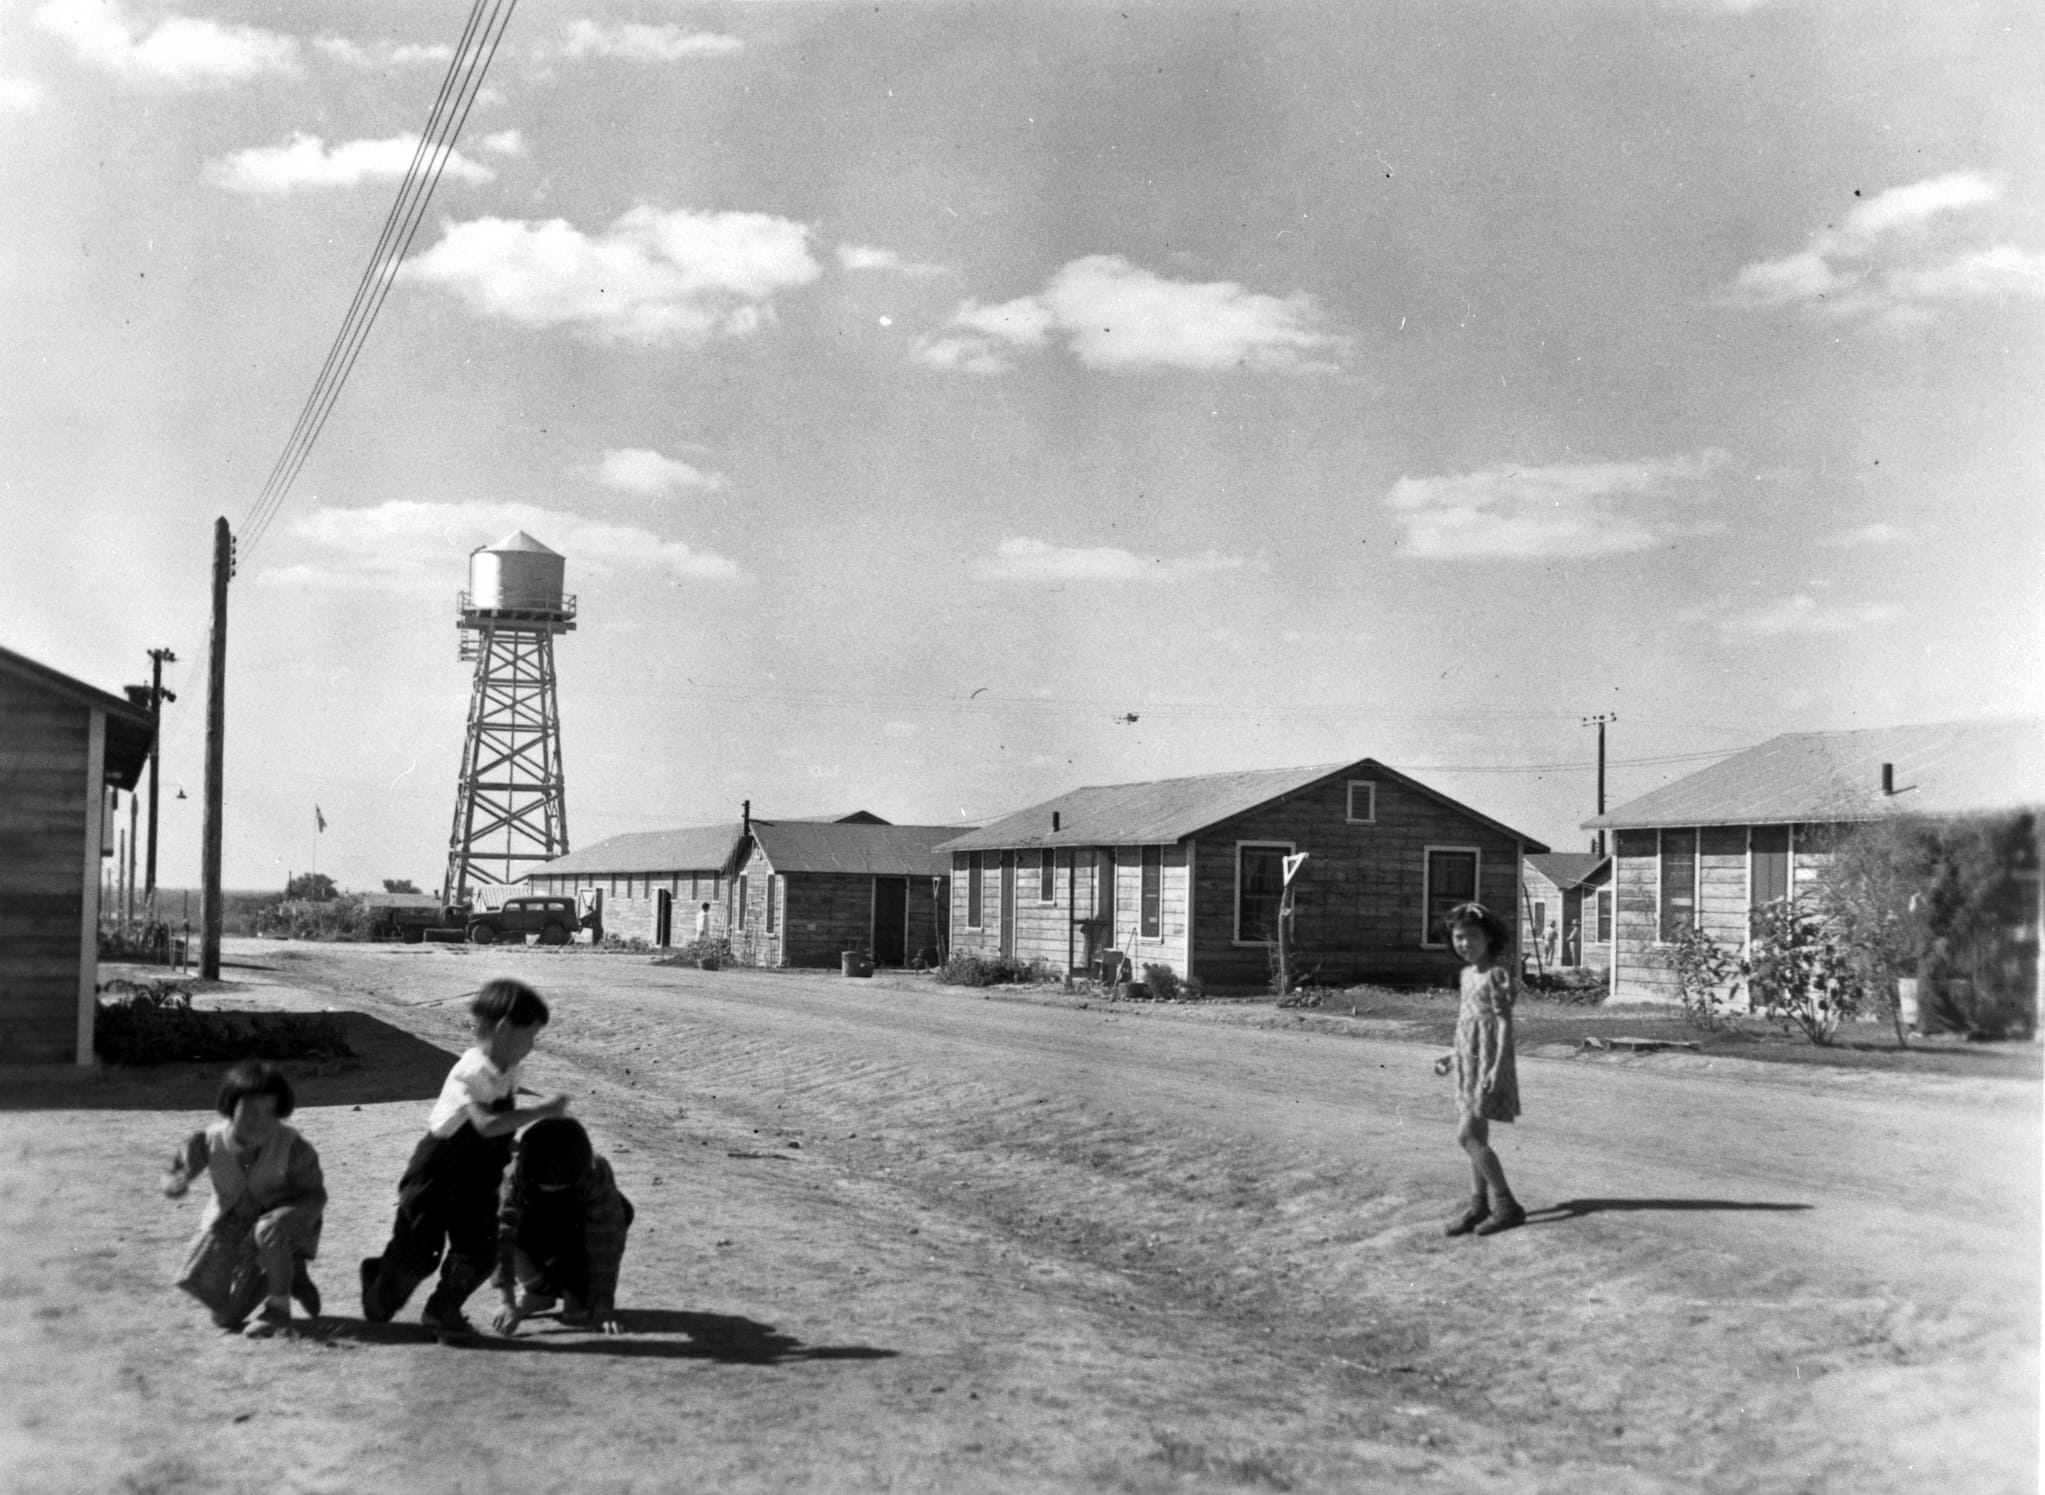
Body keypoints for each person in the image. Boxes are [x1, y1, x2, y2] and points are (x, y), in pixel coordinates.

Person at [360, 978, 568, 1335]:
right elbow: (486, 1124)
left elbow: (495, 1130)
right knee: (418, 1255)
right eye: (530, 1036)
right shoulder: (472, 1069)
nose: (532, 1046)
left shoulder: (511, 1070)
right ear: (504, 1029)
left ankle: (442, 1311)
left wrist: (511, 1147)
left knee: (479, 1252)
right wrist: (541, 1112)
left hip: (477, 1178)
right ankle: (380, 1284)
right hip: (435, 1175)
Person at [163, 1060, 326, 1337]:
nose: (258, 1121)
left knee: (268, 1230)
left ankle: (278, 1310)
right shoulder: (209, 1140)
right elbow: (174, 1170)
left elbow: (315, 1195)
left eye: (268, 1112)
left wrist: (289, 1214)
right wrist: (175, 1182)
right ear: (229, 1107)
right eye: (248, 1110)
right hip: (233, 1232)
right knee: (225, 1318)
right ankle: (289, 1276)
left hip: (286, 1225)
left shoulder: (293, 1146)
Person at [489, 1117, 635, 1337]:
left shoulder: (596, 1172)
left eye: (559, 1185)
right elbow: (501, 1236)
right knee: (485, 1222)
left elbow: (605, 1242)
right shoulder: (513, 1173)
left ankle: (574, 1291)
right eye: (545, 1184)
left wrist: (603, 1305)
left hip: (574, 1234)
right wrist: (507, 1301)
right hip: (533, 1228)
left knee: (577, 1313)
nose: (551, 1188)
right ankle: (537, 1289)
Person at [1441, 902, 1526, 1237]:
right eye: (1459, 938)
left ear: (1489, 937)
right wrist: (1452, 1054)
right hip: (1467, 1060)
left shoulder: (1497, 975)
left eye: (1472, 936)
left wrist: (1494, 1067)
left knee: (1466, 1135)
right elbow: (1467, 1022)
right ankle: (1479, 1205)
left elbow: (1503, 1025)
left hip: (1489, 1062)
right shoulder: (1466, 975)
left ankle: (1507, 1205)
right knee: (1477, 1136)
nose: (1465, 943)